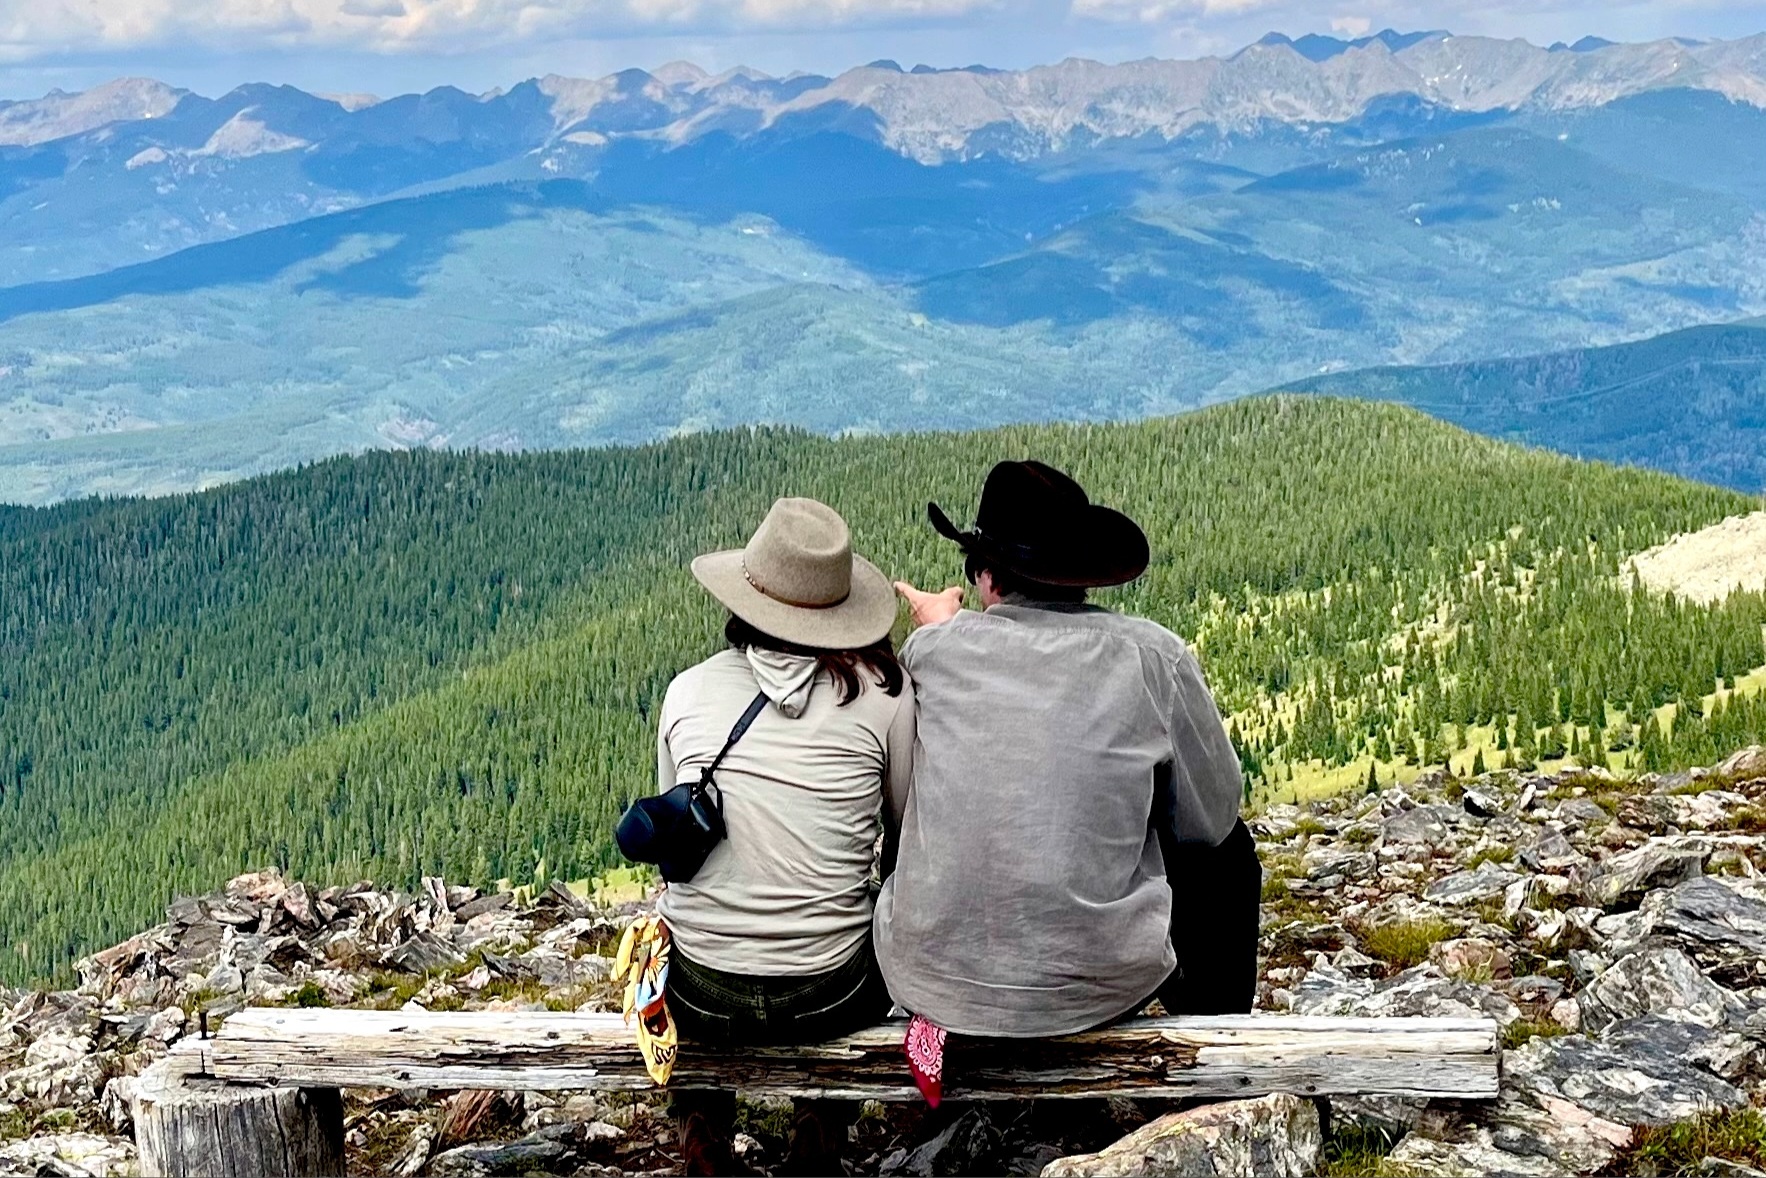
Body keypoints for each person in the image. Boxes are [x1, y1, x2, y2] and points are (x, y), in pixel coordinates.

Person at [878, 460, 1259, 1046]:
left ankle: (937, 1020)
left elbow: (903, 810)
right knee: (1229, 857)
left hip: (932, 988)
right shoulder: (1153, 657)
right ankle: (1217, 1053)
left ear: (985, 577)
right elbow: (1210, 817)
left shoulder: (931, 651)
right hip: (1096, 993)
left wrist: (938, 629)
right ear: (1087, 574)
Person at [654, 496, 915, 1176]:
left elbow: (672, 852)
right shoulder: (885, 699)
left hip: (704, 987)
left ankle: (702, 1135)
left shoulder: (687, 691)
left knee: (662, 952)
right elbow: (906, 837)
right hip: (831, 989)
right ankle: (818, 1139)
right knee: (869, 928)